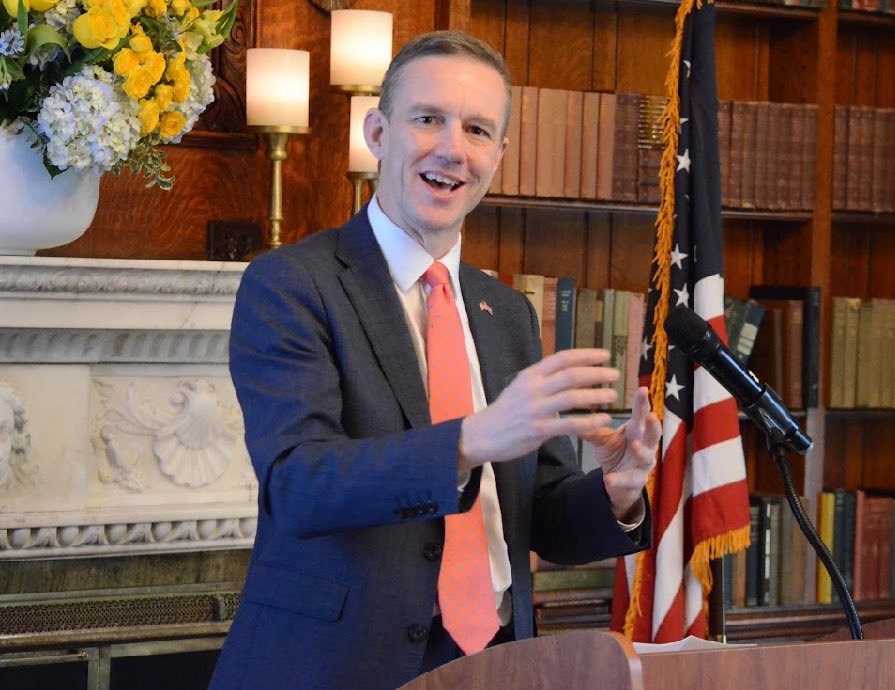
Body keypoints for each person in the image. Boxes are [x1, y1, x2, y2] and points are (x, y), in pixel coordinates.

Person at [209, 30, 661, 690]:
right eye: (428, 119)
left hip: (494, 663)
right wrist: (471, 440)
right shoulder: (293, 283)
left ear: (498, 155)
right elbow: (298, 484)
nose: (453, 148)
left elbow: (534, 514)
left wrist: (615, 492)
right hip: (335, 669)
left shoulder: (506, 312)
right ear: (378, 132)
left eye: (477, 130)